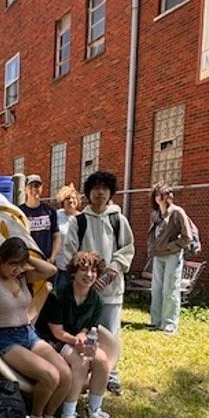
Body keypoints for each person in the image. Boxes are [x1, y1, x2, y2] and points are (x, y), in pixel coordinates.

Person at [0, 237, 71, 418]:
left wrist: (26, 254)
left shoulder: (21, 277)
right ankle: (36, 417)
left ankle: (49, 417)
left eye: (20, 264)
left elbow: (51, 271)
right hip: (6, 339)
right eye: (12, 263)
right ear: (1, 259)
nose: (16, 269)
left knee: (65, 373)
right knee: (51, 375)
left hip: (29, 333)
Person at [36, 251, 120, 418]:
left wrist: (84, 341)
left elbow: (86, 328)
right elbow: (57, 332)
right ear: (73, 273)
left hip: (74, 338)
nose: (89, 274)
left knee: (102, 360)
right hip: (51, 340)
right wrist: (77, 343)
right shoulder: (58, 295)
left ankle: (95, 411)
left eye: (93, 271)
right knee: (80, 361)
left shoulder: (96, 301)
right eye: (84, 269)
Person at [63, 170, 135, 396]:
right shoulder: (79, 221)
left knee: (110, 334)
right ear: (89, 192)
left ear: (111, 193)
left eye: (105, 188)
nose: (100, 193)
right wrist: (82, 278)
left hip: (111, 289)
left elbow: (127, 249)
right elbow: (69, 254)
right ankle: (85, 374)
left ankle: (111, 375)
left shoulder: (118, 220)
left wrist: (110, 273)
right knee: (85, 332)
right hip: (84, 291)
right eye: (96, 188)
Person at [147, 182, 192, 334]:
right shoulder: (156, 214)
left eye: (163, 194)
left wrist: (170, 247)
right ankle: (155, 321)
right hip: (158, 256)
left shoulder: (177, 212)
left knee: (170, 289)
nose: (159, 197)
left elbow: (187, 237)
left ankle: (170, 324)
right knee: (156, 289)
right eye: (157, 194)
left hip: (172, 256)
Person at [19, 175, 60, 266]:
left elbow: (56, 236)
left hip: (47, 262)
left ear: (41, 188)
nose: (34, 189)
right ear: (25, 190)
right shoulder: (19, 212)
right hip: (27, 263)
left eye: (37, 186)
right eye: (31, 186)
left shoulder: (50, 211)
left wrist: (53, 257)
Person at [54, 183, 80, 288]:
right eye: (67, 198)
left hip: (76, 264)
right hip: (59, 264)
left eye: (73, 198)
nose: (71, 201)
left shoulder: (81, 218)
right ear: (62, 201)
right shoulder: (57, 215)